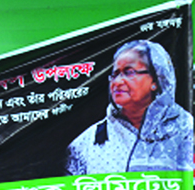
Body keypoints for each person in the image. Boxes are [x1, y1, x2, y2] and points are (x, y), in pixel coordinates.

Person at [67, 40, 193, 175]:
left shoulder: (185, 129)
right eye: (115, 74)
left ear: (156, 80)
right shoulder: (86, 144)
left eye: (129, 72)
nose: (117, 82)